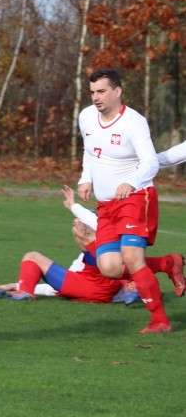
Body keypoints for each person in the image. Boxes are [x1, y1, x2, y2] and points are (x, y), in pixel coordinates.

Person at [77, 68, 172, 333]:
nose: (96, 97)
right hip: (106, 205)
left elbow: (151, 162)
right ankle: (168, 263)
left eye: (102, 91)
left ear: (117, 91)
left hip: (135, 197)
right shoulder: (86, 117)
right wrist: (86, 178)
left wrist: (131, 181)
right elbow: (90, 151)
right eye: (93, 92)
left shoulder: (134, 122)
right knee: (109, 267)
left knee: (131, 257)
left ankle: (160, 320)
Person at [0, 186, 138, 304]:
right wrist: (16, 285)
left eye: (81, 221)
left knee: (32, 256)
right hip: (102, 293)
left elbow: (93, 222)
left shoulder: (103, 236)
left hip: (93, 287)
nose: (77, 222)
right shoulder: (116, 245)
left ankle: (26, 292)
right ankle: (25, 290)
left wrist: (73, 206)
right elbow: (64, 285)